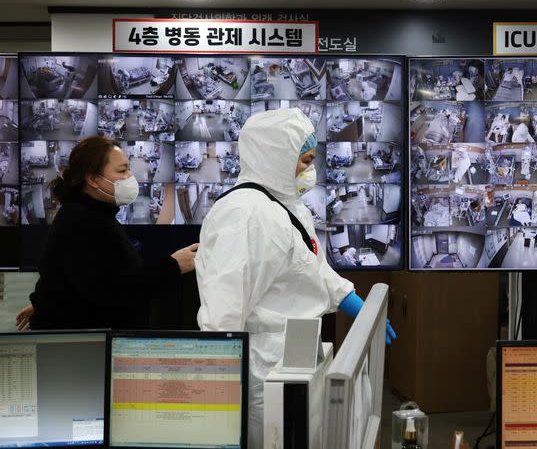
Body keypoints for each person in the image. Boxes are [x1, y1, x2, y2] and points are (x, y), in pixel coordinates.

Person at [194, 108, 395, 449]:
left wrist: (349, 299)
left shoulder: (285, 204)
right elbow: (222, 318)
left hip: (294, 358)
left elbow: (308, 264)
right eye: (305, 160)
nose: (310, 170)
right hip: (260, 376)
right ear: (275, 156)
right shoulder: (241, 214)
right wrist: (220, 400)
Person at [15, 136, 197, 331]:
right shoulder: (81, 222)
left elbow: (73, 277)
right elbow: (115, 291)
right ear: (93, 179)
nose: (130, 177)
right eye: (122, 170)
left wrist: (45, 302)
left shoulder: (90, 214)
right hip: (87, 347)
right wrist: (173, 265)